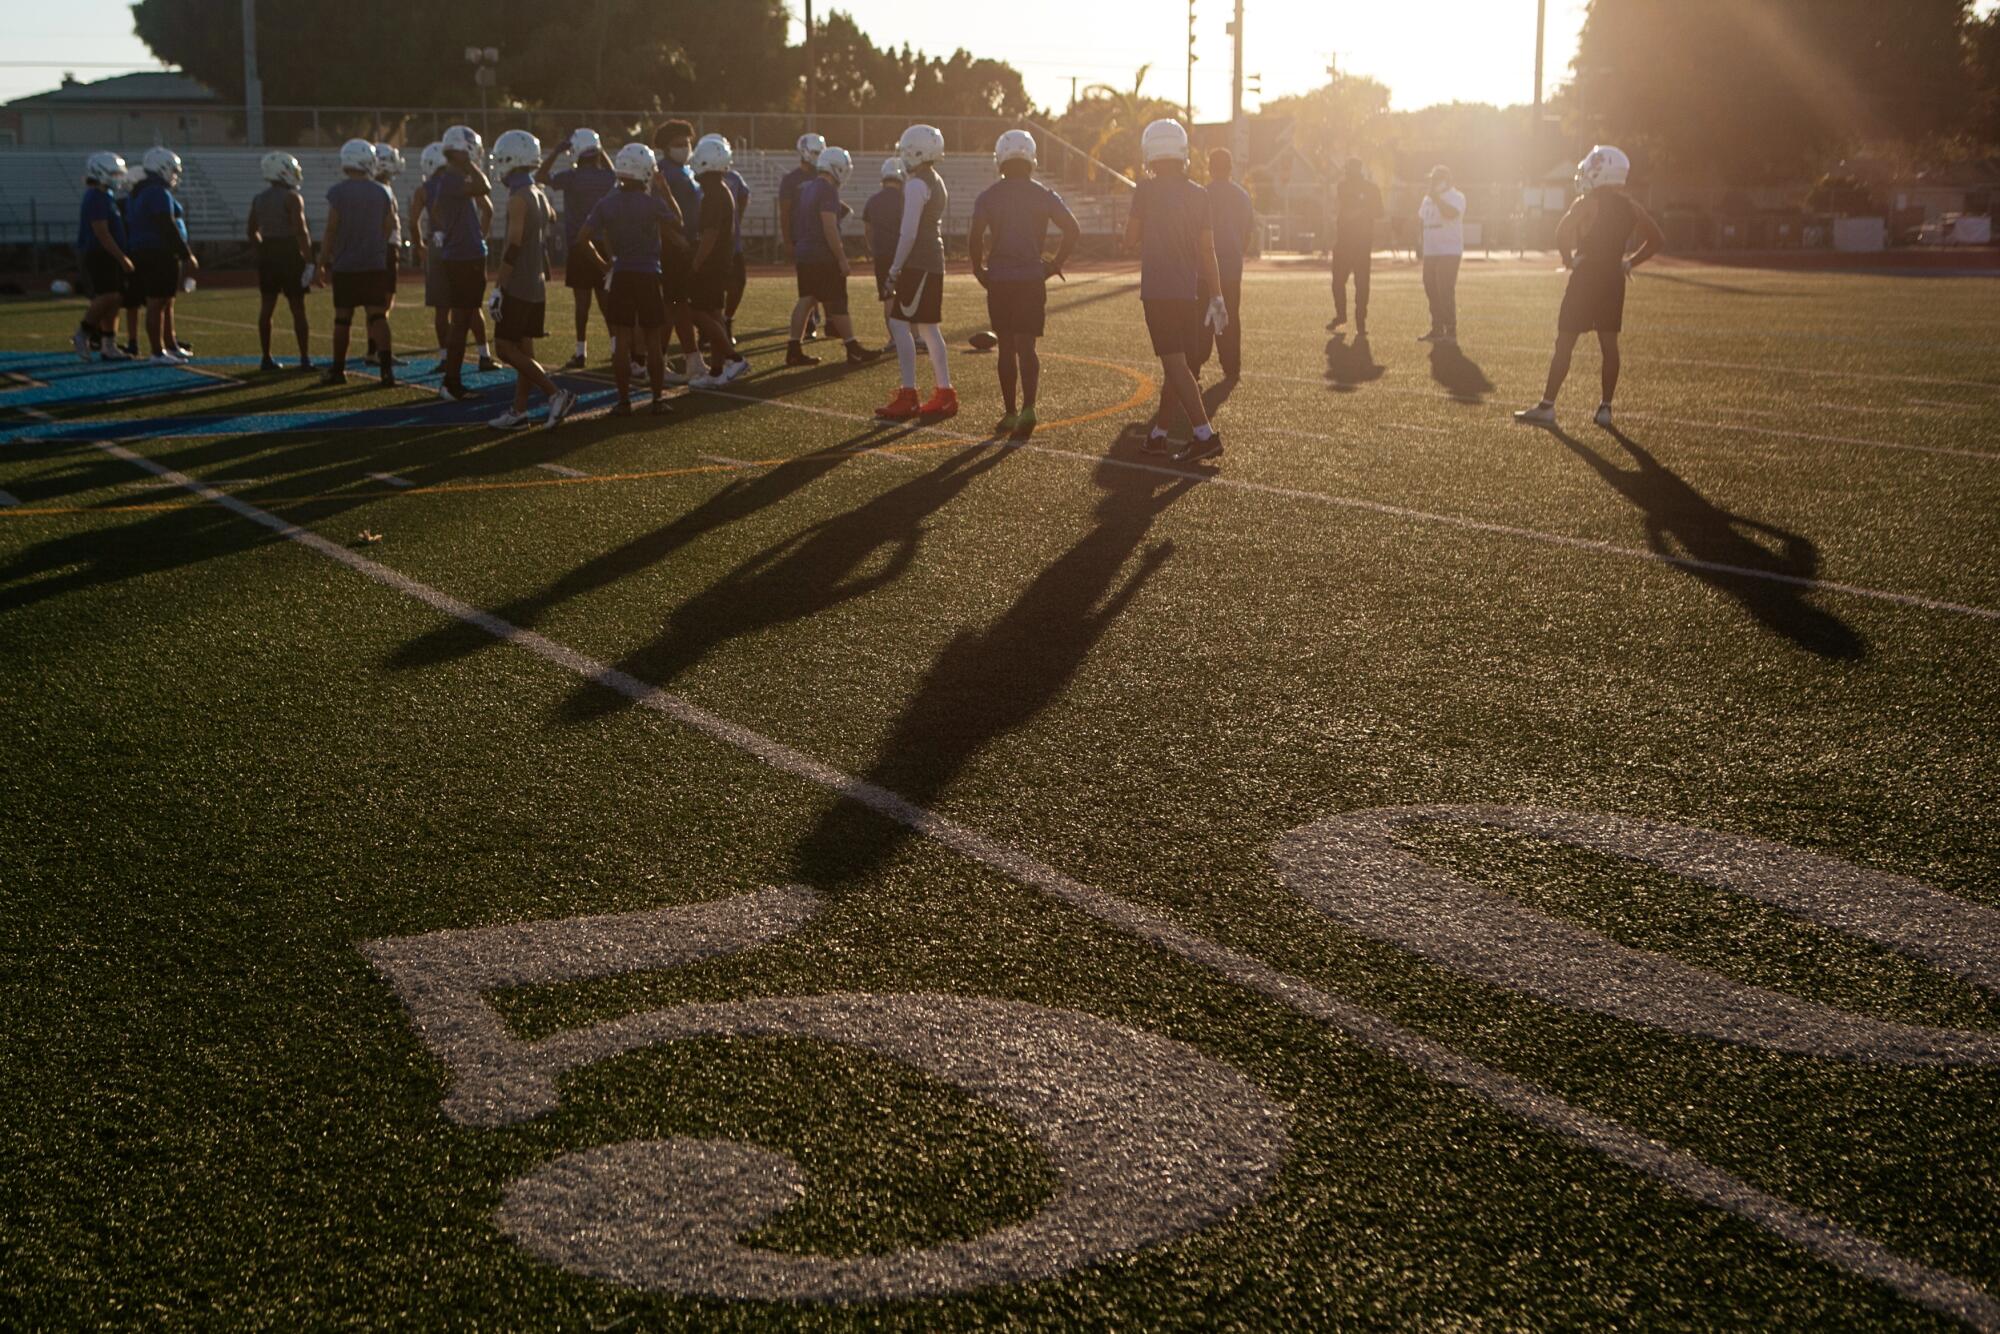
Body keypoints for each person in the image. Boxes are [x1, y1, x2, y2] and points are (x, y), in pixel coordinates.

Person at [1515, 146, 1664, 430]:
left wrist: (1568, 259)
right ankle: (1605, 408)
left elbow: (1562, 230)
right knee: (1609, 345)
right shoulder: (1632, 206)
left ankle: (1547, 405)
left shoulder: (1587, 202)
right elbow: (1657, 239)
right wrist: (1629, 263)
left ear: (1601, 170)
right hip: (1612, 278)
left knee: (1565, 341)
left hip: (1586, 278)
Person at [1122, 119, 1227, 463]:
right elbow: (1208, 250)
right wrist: (1217, 295)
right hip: (1189, 291)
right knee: (1178, 366)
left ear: (1150, 152)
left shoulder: (1145, 190)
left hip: (1158, 291)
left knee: (1176, 365)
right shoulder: (1200, 193)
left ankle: (1204, 434)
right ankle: (1159, 434)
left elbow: (1130, 238)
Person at [968, 129, 1079, 436]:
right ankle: (1029, 408)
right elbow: (1073, 228)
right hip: (1031, 279)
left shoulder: (988, 196)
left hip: (1000, 280)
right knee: (1026, 346)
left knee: (1005, 346)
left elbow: (975, 236)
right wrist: (1054, 264)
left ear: (1000, 158)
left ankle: (1009, 412)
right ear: (1031, 158)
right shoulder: (1043, 194)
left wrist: (979, 269)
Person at [575, 142, 685, 416]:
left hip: (622, 274)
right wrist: (665, 189)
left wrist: (604, 266)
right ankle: (657, 399)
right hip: (648, 274)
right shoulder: (651, 202)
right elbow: (678, 221)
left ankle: (623, 401)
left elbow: (582, 239)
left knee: (622, 342)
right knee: (652, 341)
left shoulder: (607, 203)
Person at [484, 130, 578, 430]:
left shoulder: (519, 198)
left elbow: (513, 244)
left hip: (520, 283)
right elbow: (549, 217)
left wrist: (500, 286)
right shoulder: (536, 192)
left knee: (504, 348)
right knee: (525, 351)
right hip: (536, 282)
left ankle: (555, 394)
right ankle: (519, 410)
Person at [875, 123, 957, 421]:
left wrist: (895, 269)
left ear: (916, 151)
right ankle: (944, 393)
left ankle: (910, 394)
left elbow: (908, 233)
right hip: (933, 259)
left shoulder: (916, 183)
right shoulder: (935, 180)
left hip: (919, 261)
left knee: (899, 324)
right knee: (927, 327)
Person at [786, 144, 878, 376]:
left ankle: (793, 347)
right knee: (837, 301)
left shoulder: (808, 187)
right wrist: (842, 258)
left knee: (806, 299)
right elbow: (829, 226)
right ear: (837, 168)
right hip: (822, 254)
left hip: (805, 252)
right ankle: (852, 347)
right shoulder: (827, 189)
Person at [316, 138, 398, 387]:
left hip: (346, 264)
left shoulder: (338, 192)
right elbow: (390, 225)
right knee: (377, 316)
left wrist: (322, 260)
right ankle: (386, 371)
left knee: (343, 318)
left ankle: (338, 370)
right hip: (374, 263)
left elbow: (331, 229)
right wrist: (375, 245)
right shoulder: (381, 191)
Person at [538, 127, 618, 369]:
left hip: (578, 246)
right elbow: (613, 173)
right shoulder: (605, 177)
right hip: (604, 244)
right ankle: (616, 348)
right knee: (606, 302)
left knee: (581, 304)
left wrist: (555, 152)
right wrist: (601, 152)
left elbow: (541, 177)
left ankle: (581, 352)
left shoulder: (570, 177)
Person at [428, 125, 493, 399]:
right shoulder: (453, 177)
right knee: (462, 320)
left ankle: (452, 380)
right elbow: (484, 186)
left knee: (463, 319)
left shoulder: (451, 179)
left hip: (465, 254)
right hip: (464, 257)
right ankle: (451, 382)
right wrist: (470, 164)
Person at [685, 135, 753, 387]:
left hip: (712, 264)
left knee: (694, 310)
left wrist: (695, 264)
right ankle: (715, 371)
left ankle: (734, 359)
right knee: (715, 314)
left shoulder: (714, 193)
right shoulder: (720, 189)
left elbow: (710, 234)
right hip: (720, 262)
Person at [125, 148, 196, 365]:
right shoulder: (156, 191)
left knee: (166, 301)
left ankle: (170, 345)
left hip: (154, 251)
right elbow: (166, 223)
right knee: (157, 302)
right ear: (162, 167)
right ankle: (157, 352)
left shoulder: (147, 190)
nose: (175, 174)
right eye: (173, 169)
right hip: (158, 252)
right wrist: (186, 254)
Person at [247, 150, 313, 371]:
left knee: (267, 308)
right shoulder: (292, 198)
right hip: (289, 252)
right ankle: (304, 358)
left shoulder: (259, 198)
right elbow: (300, 231)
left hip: (269, 252)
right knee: (297, 308)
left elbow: (251, 230)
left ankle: (266, 357)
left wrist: (261, 250)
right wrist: (309, 259)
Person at [651, 119, 705, 384]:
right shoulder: (664, 172)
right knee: (671, 307)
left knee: (680, 306)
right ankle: (658, 362)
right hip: (672, 250)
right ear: (664, 147)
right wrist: (674, 238)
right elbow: (658, 214)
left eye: (687, 142)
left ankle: (693, 358)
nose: (685, 147)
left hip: (686, 246)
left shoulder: (685, 170)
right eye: (678, 144)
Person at [72, 152, 134, 362]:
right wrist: (121, 257)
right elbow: (101, 232)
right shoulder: (96, 197)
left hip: (106, 253)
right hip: (100, 254)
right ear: (100, 173)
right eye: (114, 174)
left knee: (115, 299)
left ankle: (109, 345)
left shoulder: (105, 196)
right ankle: (83, 333)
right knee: (108, 296)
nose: (118, 178)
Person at [1205, 147, 1254, 382]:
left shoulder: (1202, 194)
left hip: (1204, 268)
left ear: (1210, 168)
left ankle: (1194, 364)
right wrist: (1237, 253)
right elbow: (1248, 232)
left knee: (1201, 318)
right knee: (1230, 317)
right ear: (1230, 167)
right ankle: (1231, 366)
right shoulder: (1242, 196)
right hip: (1232, 268)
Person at [781, 131, 828, 363]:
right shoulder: (792, 180)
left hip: (819, 241)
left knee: (813, 291)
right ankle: (807, 329)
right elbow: (785, 212)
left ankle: (822, 323)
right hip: (805, 241)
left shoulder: (823, 178)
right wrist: (788, 240)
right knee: (808, 293)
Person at [1328, 156, 1382, 335]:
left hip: (1361, 244)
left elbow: (1378, 211)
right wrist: (1363, 209)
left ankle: (1360, 320)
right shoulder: (1344, 186)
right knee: (1338, 282)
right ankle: (1341, 315)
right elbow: (1349, 205)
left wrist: (1360, 210)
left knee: (1362, 284)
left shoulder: (1371, 189)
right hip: (1344, 243)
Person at [366, 143, 407, 369]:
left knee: (376, 303)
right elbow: (388, 224)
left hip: (381, 247)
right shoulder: (382, 189)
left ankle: (373, 350)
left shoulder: (375, 187)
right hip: (386, 248)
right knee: (383, 302)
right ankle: (379, 351)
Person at [1417, 164, 1466, 345]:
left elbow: (1451, 214)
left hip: (1449, 250)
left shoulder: (1457, 197)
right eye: (1432, 179)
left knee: (1444, 288)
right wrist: (1419, 241)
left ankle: (1450, 329)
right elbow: (1422, 219)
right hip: (1431, 250)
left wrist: (1437, 199)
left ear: (1447, 180)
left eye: (1436, 179)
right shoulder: (1427, 199)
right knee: (1430, 287)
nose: (1433, 183)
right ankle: (1437, 327)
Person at [862, 157, 905, 354]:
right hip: (902, 255)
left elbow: (868, 230)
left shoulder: (873, 200)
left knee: (888, 298)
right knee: (906, 296)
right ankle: (911, 337)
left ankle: (893, 338)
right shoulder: (904, 199)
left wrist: (873, 249)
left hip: (882, 256)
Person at [114, 166, 146, 358]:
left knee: (149, 302)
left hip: (137, 253)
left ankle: (164, 342)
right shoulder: (122, 204)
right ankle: (108, 338)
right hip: (129, 254)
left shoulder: (136, 201)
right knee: (124, 299)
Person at [720, 158, 751, 340]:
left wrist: (737, 217)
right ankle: (708, 330)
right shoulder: (697, 177)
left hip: (733, 244)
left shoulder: (734, 177)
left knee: (738, 284)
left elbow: (744, 196)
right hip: (712, 241)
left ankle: (726, 319)